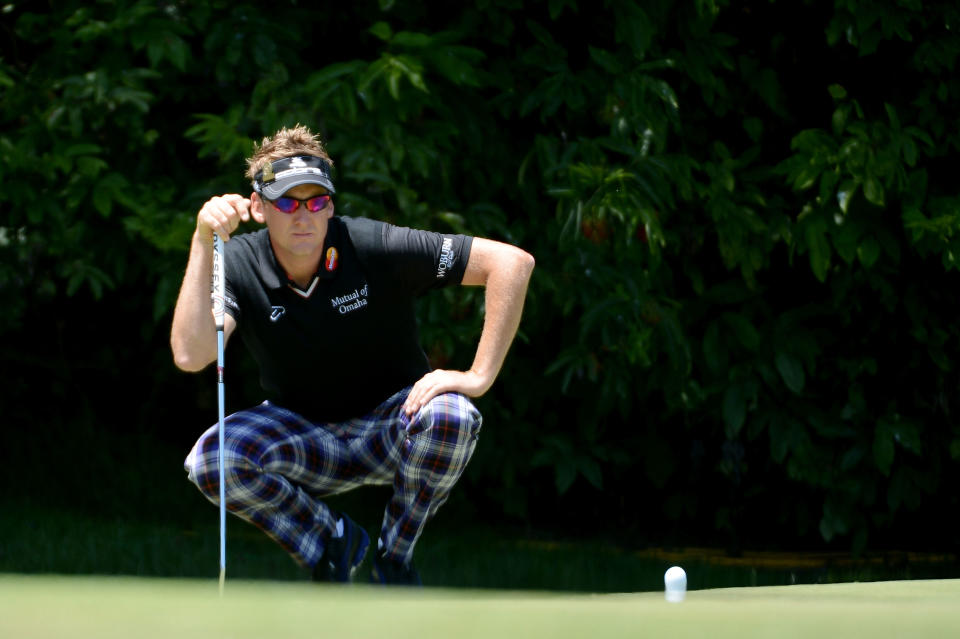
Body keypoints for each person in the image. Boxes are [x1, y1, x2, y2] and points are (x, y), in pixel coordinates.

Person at [171, 125, 534, 585]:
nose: (303, 215)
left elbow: (511, 264)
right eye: (287, 202)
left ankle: (394, 559)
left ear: (331, 206)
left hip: (391, 426)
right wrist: (204, 241)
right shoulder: (238, 259)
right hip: (301, 433)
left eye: (316, 201)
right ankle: (331, 540)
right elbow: (190, 354)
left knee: (454, 415)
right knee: (211, 460)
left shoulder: (369, 243)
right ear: (259, 208)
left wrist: (478, 375)